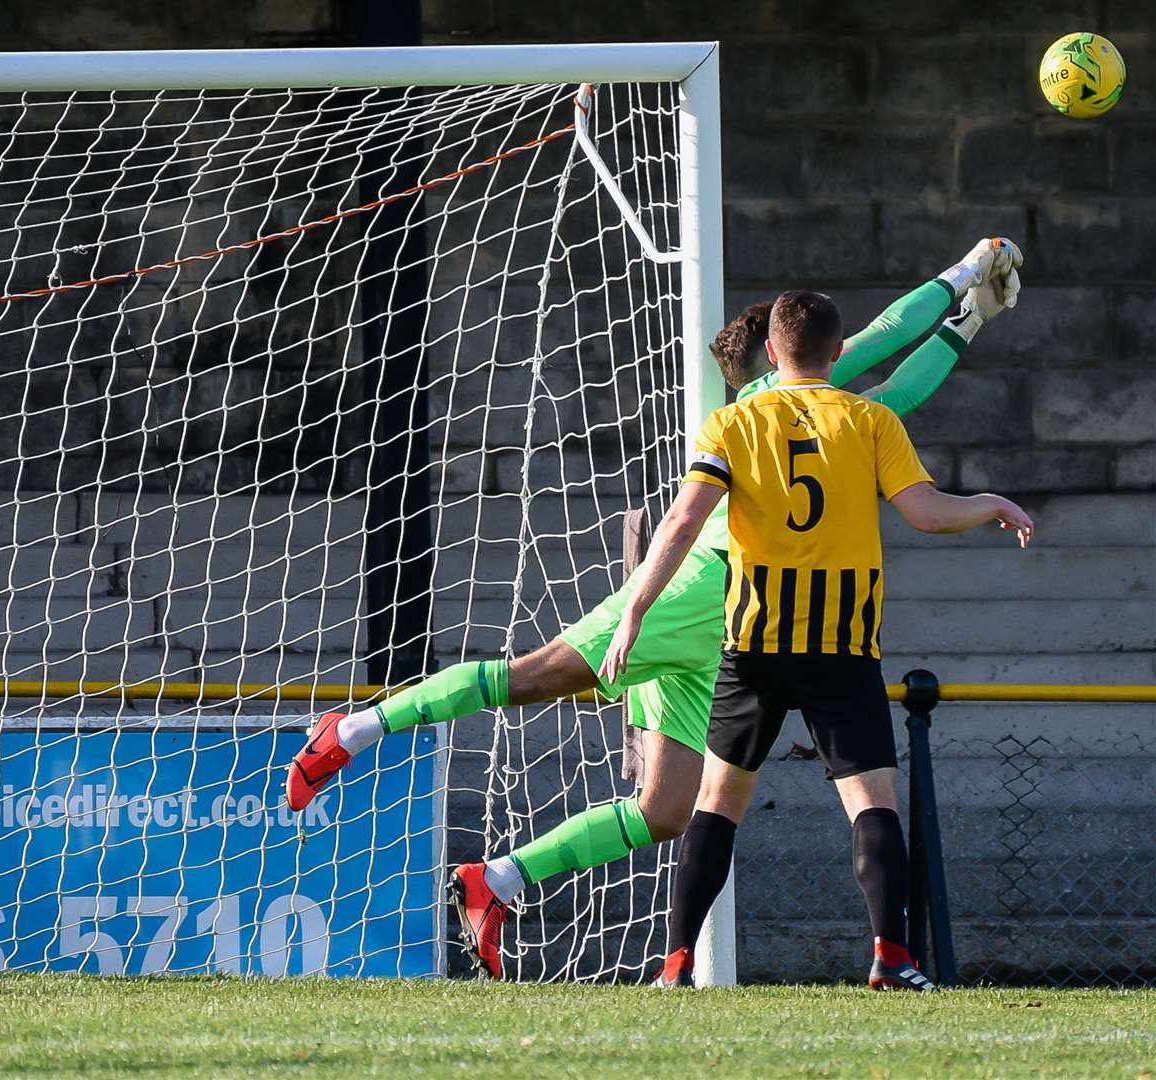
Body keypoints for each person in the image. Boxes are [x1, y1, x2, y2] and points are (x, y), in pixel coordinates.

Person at [285, 238, 1023, 978]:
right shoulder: (762, 407)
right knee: (537, 675)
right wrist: (965, 282)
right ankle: (351, 729)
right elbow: (893, 348)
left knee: (666, 809)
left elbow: (897, 376)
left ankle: (497, 881)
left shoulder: (815, 412)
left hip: (739, 631)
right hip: (698, 596)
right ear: (780, 355)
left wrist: (968, 312)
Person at [612, 289, 1034, 990]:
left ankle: (676, 964)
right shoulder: (869, 420)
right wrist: (989, 502)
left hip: (753, 647)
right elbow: (925, 514)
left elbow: (682, 522)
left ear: (771, 354)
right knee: (873, 804)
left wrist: (634, 610)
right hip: (841, 649)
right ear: (839, 353)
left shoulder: (734, 420)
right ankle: (890, 958)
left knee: (717, 804)